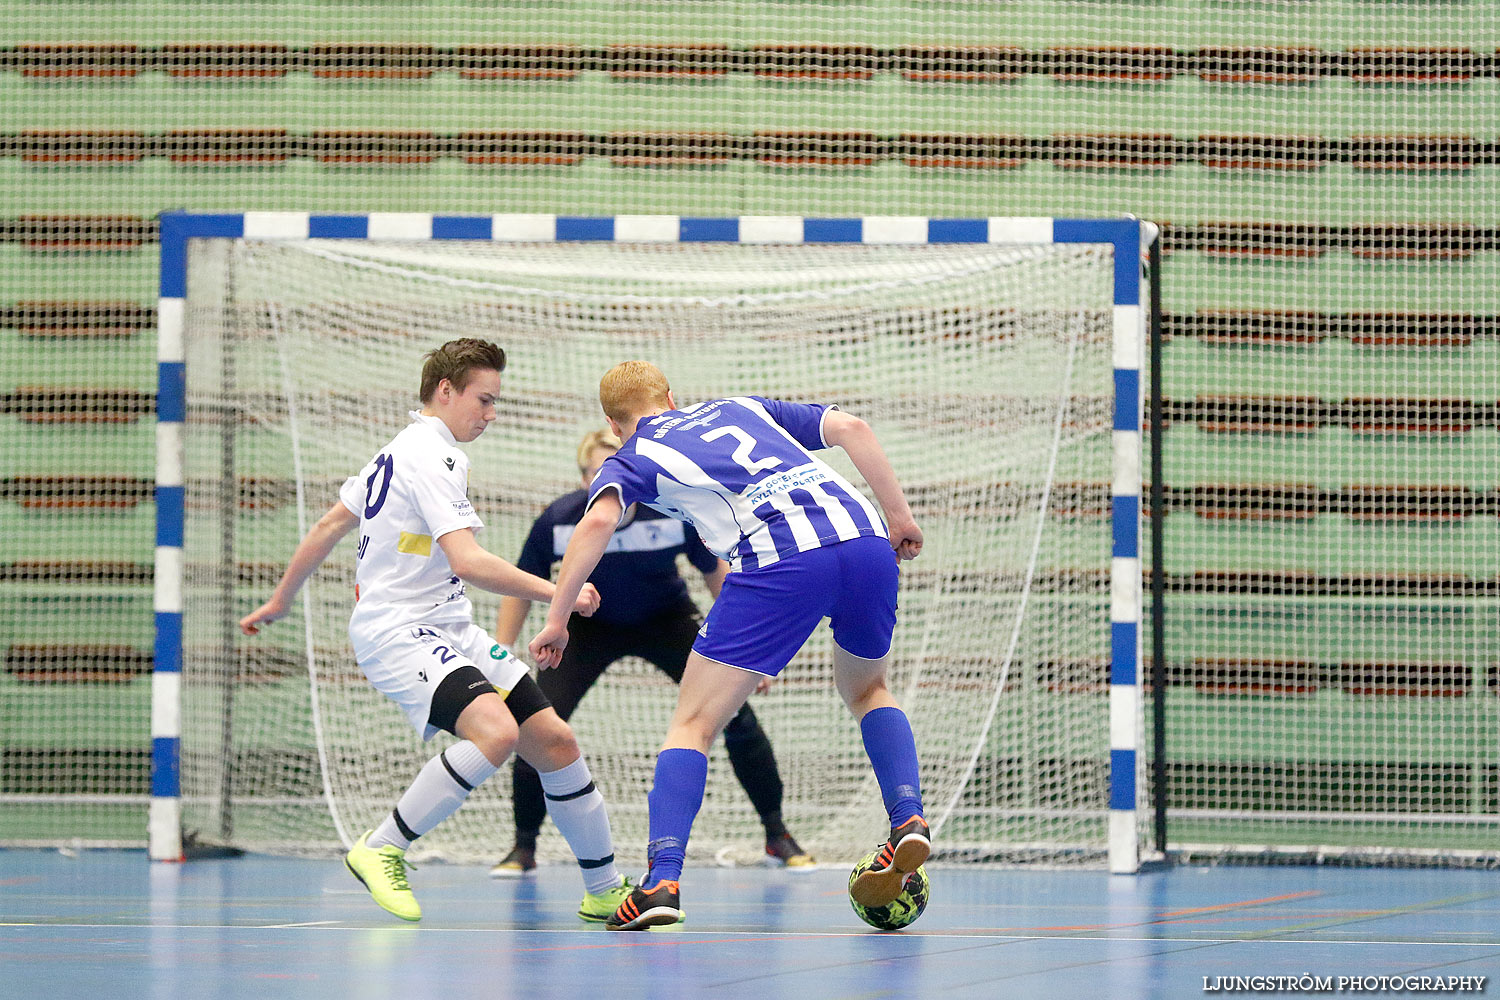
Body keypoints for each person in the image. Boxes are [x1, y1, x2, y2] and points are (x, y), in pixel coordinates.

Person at [238, 338, 635, 925]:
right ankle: (381, 847)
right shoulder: (433, 455)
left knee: (555, 743)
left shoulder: (397, 450)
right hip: (399, 631)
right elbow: (469, 562)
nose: (491, 414)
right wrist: (561, 592)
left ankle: (603, 888)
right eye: (484, 399)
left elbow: (328, 525)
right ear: (445, 391)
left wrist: (279, 599)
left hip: (449, 628)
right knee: (495, 734)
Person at [529, 361, 928, 931]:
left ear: (615, 424)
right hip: (864, 539)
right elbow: (854, 429)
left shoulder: (632, 455)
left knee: (692, 724)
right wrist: (900, 517)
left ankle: (661, 880)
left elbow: (596, 524)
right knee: (868, 689)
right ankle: (907, 819)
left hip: (780, 558)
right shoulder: (743, 407)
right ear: (671, 395)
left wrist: (559, 617)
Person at [489, 429, 812, 879]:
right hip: (588, 630)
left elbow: (715, 572)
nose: (607, 482)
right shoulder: (559, 521)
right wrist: (502, 652)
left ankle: (778, 834)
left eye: (615, 471)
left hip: (667, 620)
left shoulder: (672, 513)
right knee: (537, 726)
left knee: (736, 715)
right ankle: (523, 847)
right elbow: (521, 584)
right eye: (596, 473)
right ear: (584, 478)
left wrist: (744, 652)